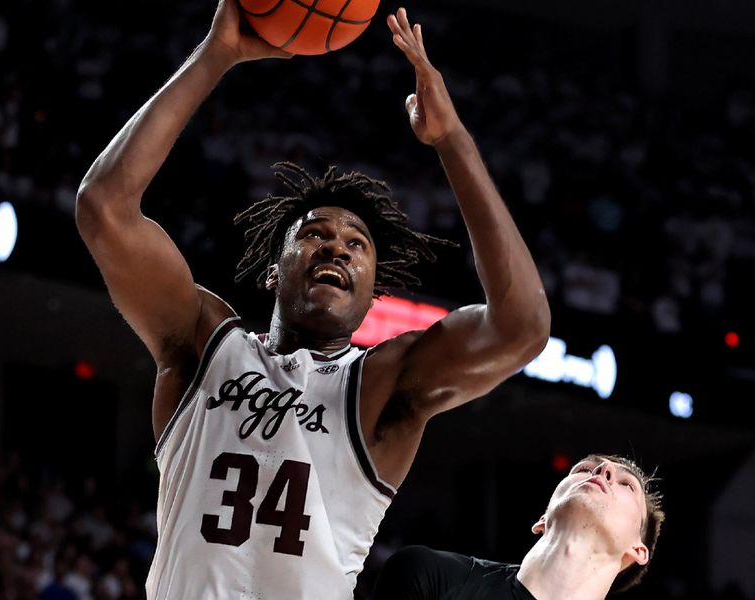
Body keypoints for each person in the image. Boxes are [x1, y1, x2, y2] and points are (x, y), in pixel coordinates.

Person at [75, 1, 550, 598]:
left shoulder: (382, 385)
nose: (337, 249)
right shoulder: (203, 342)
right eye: (316, 235)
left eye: (357, 245)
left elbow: (523, 328)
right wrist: (214, 56)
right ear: (275, 272)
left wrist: (452, 139)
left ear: (373, 294)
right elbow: (104, 208)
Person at [372, 454, 665, 600]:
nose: (604, 470)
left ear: (636, 550)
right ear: (543, 520)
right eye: (585, 469)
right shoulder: (428, 577)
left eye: (628, 485)